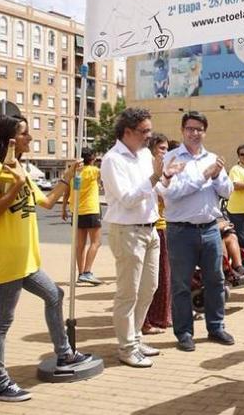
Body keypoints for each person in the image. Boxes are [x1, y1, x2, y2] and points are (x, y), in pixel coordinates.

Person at [0, 114, 90, 402]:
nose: (31, 139)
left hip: (27, 261)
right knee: (1, 323)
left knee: (55, 295)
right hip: (6, 260)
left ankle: (64, 354)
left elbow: (47, 201)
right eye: (25, 134)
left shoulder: (22, 170)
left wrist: (66, 177)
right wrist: (15, 185)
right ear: (11, 139)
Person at [100, 107, 180, 368]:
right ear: (128, 131)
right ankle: (126, 347)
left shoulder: (145, 155)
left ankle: (135, 338)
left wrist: (166, 176)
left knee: (149, 288)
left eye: (150, 130)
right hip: (127, 231)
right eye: (144, 131)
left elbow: (156, 188)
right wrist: (156, 176)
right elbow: (127, 198)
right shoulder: (113, 160)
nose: (149, 136)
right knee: (128, 292)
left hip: (151, 228)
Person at [159, 111, 234, 353]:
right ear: (183, 131)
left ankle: (216, 326)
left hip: (210, 228)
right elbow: (171, 192)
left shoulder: (212, 158)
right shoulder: (171, 159)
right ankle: (184, 332)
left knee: (215, 280)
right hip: (180, 231)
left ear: (205, 131)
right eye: (190, 129)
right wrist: (205, 175)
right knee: (181, 284)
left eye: (199, 129)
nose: (194, 133)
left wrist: (217, 176)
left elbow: (227, 190)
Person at [142, 133, 172, 335]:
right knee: (152, 280)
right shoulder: (149, 169)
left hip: (163, 226)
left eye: (167, 149)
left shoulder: (160, 170)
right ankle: (147, 320)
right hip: (154, 227)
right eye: (162, 148)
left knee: (163, 278)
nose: (166, 152)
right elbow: (162, 193)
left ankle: (161, 317)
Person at [61, 148, 103, 285]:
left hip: (76, 210)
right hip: (91, 210)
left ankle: (81, 273)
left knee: (80, 244)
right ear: (92, 158)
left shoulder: (73, 172)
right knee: (96, 242)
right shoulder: (94, 171)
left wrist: (63, 209)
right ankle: (87, 272)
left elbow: (66, 193)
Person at [227, 144, 244, 252]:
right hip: (238, 211)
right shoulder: (235, 169)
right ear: (239, 157)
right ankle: (239, 264)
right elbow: (236, 186)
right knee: (241, 239)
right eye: (242, 154)